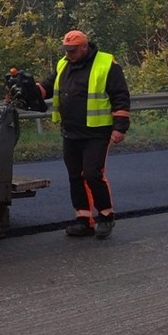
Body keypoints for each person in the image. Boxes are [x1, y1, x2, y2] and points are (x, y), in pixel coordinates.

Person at [35, 30, 131, 239]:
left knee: (92, 173)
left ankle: (106, 216)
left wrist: (119, 127)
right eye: (66, 50)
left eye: (72, 50)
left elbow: (120, 95)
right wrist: (31, 89)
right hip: (71, 131)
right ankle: (83, 220)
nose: (68, 54)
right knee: (75, 175)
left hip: (96, 132)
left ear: (84, 47)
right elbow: (48, 85)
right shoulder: (64, 64)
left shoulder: (106, 64)